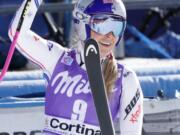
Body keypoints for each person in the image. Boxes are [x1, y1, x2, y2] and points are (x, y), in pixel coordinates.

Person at [8, 0, 143, 134]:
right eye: (104, 25)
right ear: (83, 23)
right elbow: (18, 35)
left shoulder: (126, 79)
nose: (111, 35)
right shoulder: (56, 58)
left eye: (117, 27)